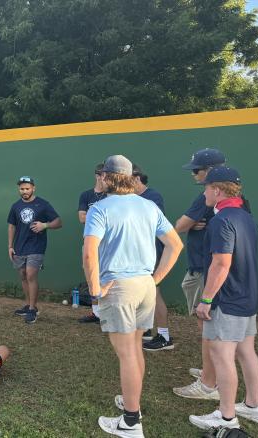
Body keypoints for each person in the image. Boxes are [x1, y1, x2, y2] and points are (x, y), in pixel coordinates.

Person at [83, 155, 183, 438]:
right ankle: (133, 407)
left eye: (102, 174)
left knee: (126, 353)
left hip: (119, 287)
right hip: (144, 286)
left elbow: (89, 253)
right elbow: (175, 245)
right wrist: (154, 280)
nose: (99, 178)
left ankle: (130, 422)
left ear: (108, 177)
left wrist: (94, 291)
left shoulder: (100, 209)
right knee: (135, 347)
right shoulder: (149, 206)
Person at [188, 167, 258, 430]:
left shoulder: (221, 221)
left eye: (206, 188)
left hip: (228, 299)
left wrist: (206, 300)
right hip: (248, 296)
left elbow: (221, 263)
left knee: (222, 356)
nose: (204, 193)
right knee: (246, 352)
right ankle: (253, 406)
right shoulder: (245, 216)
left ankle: (226, 417)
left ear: (217, 190)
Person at [172, 148, 227, 400]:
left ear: (210, 171)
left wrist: (191, 223)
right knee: (208, 325)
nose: (194, 174)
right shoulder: (229, 198)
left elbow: (179, 226)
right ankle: (210, 371)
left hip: (205, 268)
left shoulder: (205, 198)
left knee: (207, 324)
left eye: (197, 170)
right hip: (204, 266)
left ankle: (208, 383)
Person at [8, 176, 62, 324]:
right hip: (19, 246)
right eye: (22, 189)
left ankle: (33, 309)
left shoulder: (43, 204)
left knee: (31, 274)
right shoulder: (15, 206)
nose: (24, 191)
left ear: (33, 188)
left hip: (36, 246)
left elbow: (58, 222)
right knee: (23, 275)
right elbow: (12, 226)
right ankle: (28, 305)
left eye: (27, 188)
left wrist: (45, 225)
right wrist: (10, 246)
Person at [131, 165, 172, 352]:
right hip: (138, 255)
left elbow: (152, 224)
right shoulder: (132, 198)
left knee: (155, 293)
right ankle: (147, 329)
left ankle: (164, 337)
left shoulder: (153, 197)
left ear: (137, 178)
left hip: (152, 253)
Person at [77, 163, 107, 324]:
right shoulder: (86, 195)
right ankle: (95, 313)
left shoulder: (111, 195)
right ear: (97, 176)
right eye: (103, 175)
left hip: (108, 244)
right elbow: (81, 217)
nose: (105, 178)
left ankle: (108, 313)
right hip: (90, 242)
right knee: (91, 276)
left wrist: (93, 215)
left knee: (107, 276)